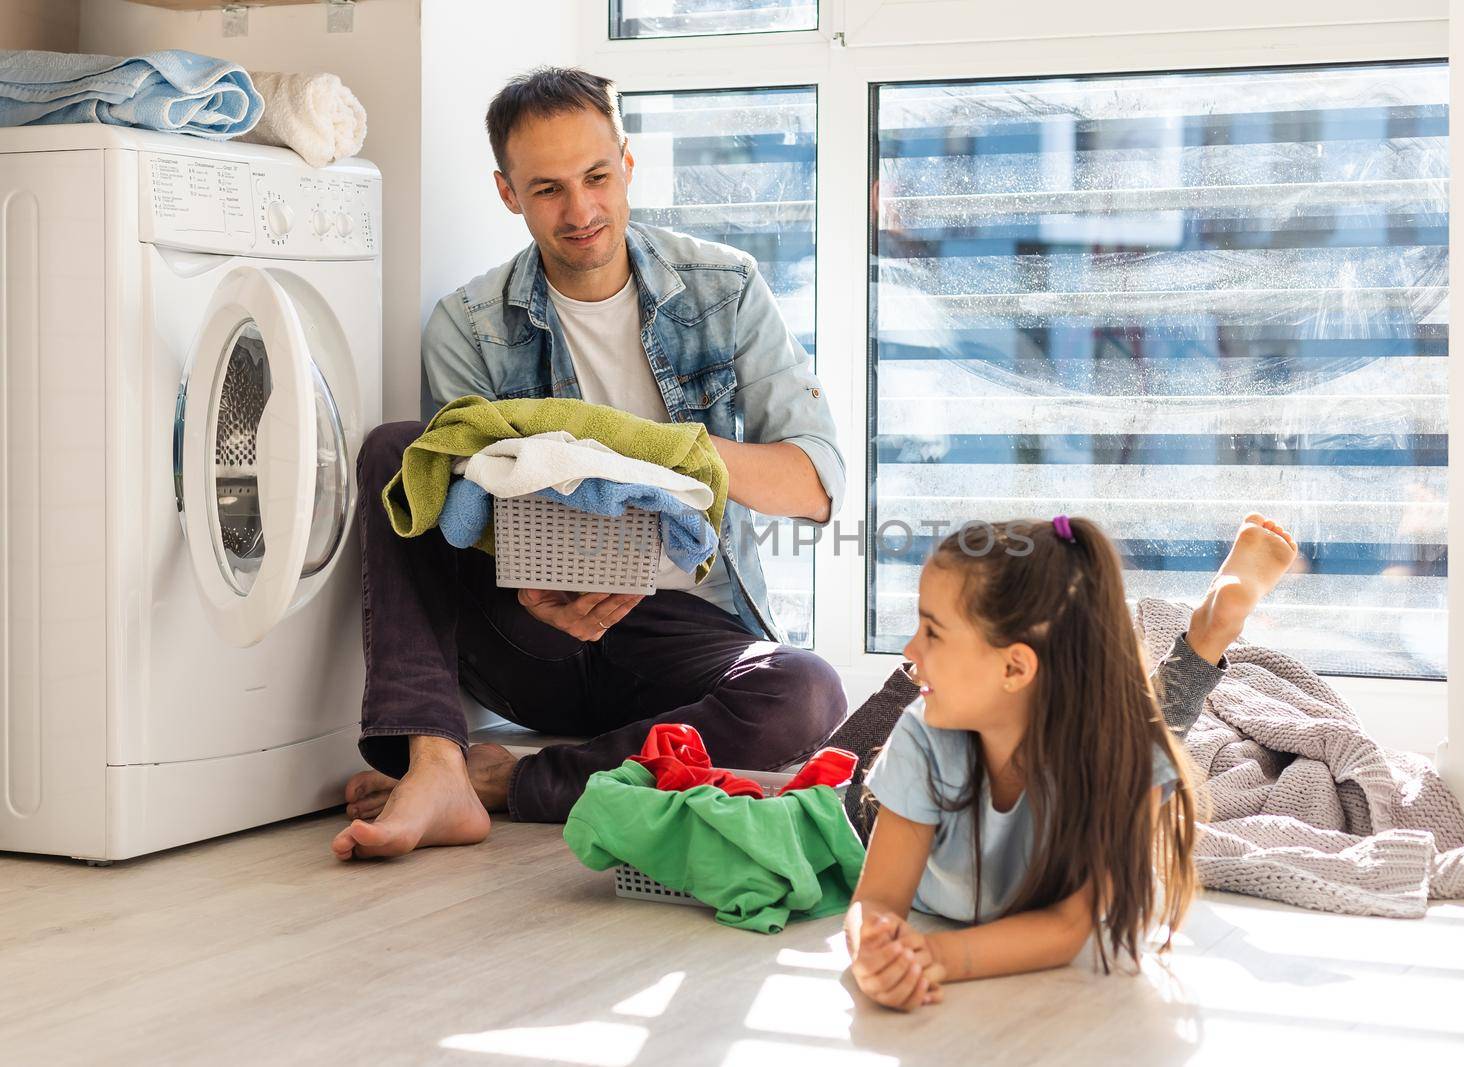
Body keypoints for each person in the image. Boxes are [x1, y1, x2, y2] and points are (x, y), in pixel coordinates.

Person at [332, 67, 848, 860]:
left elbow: (813, 483)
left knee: (805, 689)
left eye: (597, 177)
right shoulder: (468, 325)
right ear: (507, 192)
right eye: (547, 190)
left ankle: (521, 781)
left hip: (678, 628)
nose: (581, 211)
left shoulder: (725, 289)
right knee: (400, 449)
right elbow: (460, 515)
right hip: (531, 627)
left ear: (628, 166)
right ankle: (436, 763)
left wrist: (666, 453)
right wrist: (543, 587)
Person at [845, 514, 1299, 1010]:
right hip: (907, 803)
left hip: (1086, 749)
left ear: (1015, 665)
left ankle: (1210, 631)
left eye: (931, 632)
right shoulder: (924, 734)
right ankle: (1206, 635)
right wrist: (873, 952)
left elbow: (1066, 927)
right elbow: (877, 902)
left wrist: (934, 956)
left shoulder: (1124, 762)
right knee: (1139, 727)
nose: (909, 650)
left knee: (1139, 737)